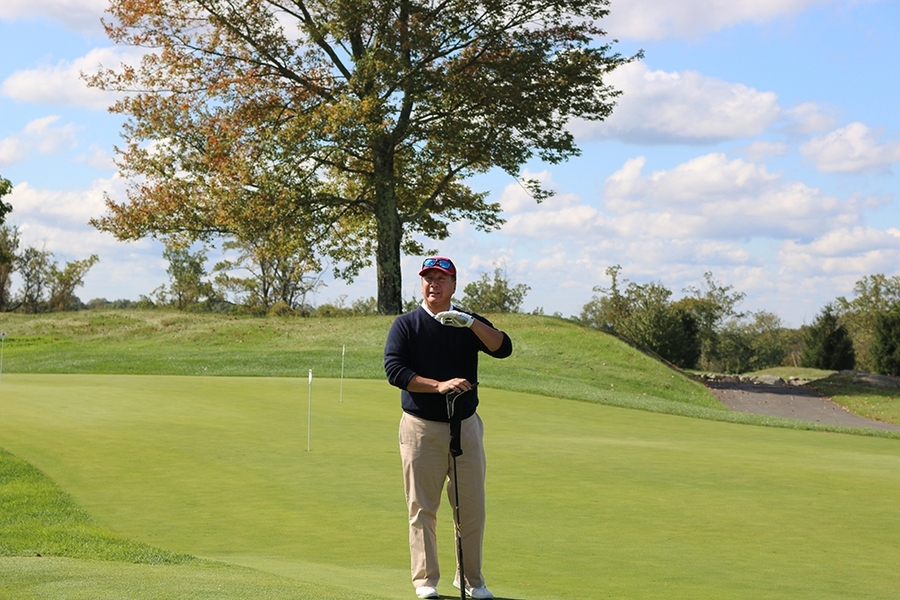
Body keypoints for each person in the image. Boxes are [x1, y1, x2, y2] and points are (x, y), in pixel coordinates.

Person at [384, 256, 513, 600]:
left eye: (442, 279)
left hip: (465, 427)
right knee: (422, 507)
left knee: (471, 507)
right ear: (422, 283)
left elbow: (503, 348)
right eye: (428, 278)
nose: (433, 285)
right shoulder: (406, 325)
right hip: (421, 428)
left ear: (454, 285)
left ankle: (471, 579)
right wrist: (437, 385)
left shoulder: (465, 323)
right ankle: (425, 580)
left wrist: (470, 323)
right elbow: (395, 370)